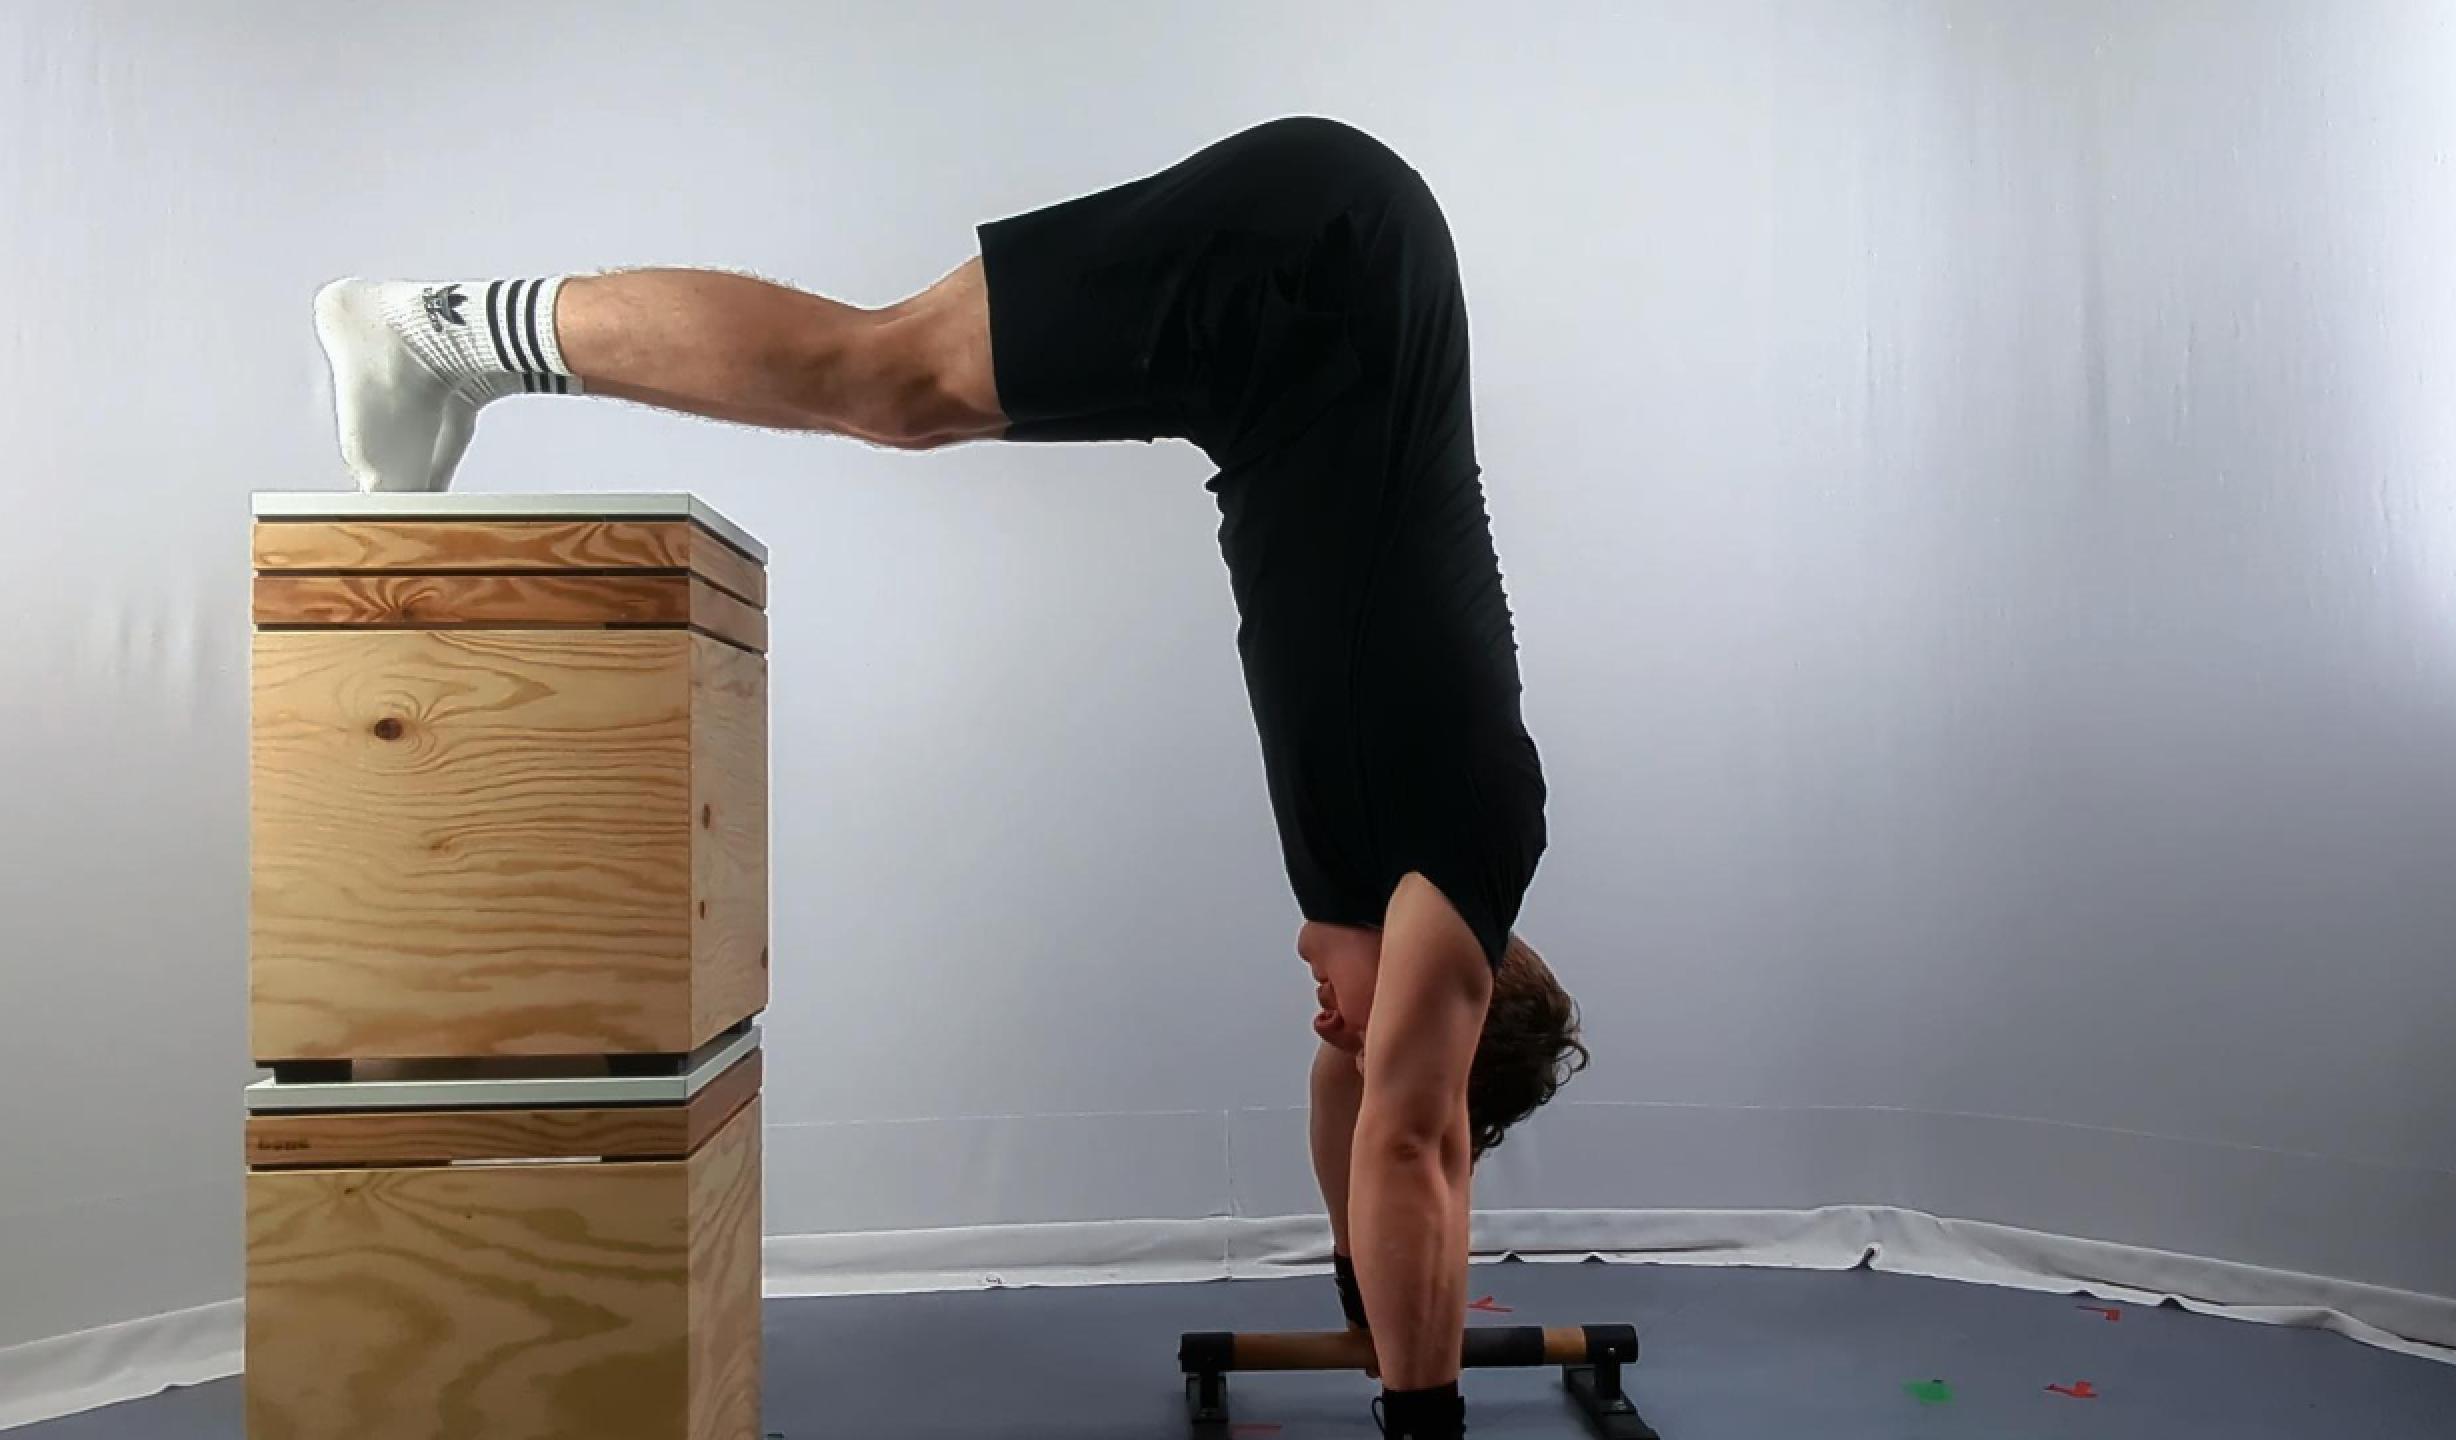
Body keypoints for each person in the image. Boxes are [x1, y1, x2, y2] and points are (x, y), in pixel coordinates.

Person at [316, 115, 1586, 1440]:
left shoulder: (1388, 903)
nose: (1324, 1030)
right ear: (1451, 997)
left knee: (890, 391)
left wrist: (1373, 1303)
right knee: (881, 378)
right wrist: (1421, 1408)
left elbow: (1371, 1122)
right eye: (1366, 1038)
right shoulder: (1470, 832)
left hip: (1309, 314)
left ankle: (451, 340)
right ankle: (442, 332)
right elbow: (1406, 1139)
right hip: (1324, 272)